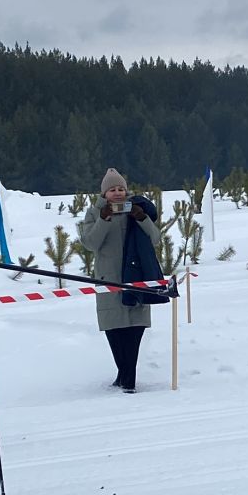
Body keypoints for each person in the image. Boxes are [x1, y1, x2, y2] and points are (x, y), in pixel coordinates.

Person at [77, 168, 171, 393]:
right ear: (104, 193)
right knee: (114, 329)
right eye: (112, 190)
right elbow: (90, 244)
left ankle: (129, 379)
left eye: (121, 189)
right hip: (108, 279)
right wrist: (104, 219)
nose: (117, 193)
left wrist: (141, 218)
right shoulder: (94, 213)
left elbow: (156, 238)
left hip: (137, 278)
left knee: (135, 327)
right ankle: (123, 373)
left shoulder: (138, 209)